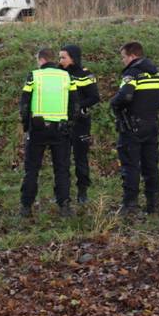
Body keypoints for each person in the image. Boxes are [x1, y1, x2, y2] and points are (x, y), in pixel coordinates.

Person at [19, 48, 75, 218]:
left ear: (41, 60)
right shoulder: (66, 76)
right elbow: (75, 104)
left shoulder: (34, 76)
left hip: (38, 129)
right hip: (60, 129)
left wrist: (26, 126)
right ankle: (64, 206)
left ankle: (26, 207)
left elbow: (24, 104)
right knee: (62, 169)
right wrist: (70, 124)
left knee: (32, 169)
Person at [109, 41, 159, 215]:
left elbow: (125, 96)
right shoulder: (158, 74)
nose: (123, 61)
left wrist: (114, 103)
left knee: (130, 166)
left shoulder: (132, 74)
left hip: (132, 126)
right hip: (152, 124)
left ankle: (129, 205)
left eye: (123, 57)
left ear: (132, 56)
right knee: (151, 166)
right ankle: (153, 206)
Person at [59, 44, 100, 204]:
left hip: (80, 122)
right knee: (61, 159)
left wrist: (77, 106)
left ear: (73, 58)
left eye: (63, 57)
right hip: (61, 121)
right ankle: (62, 193)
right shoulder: (58, 73)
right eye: (59, 57)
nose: (60, 60)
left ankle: (82, 191)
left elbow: (94, 97)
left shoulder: (85, 74)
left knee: (80, 158)